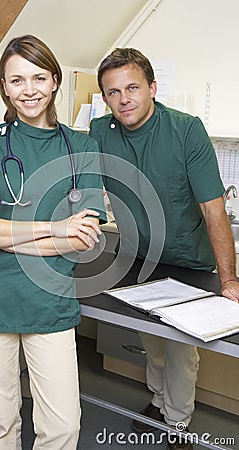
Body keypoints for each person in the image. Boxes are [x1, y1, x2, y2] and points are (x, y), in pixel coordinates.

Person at [0, 35, 106, 450]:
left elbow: (85, 239)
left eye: (39, 77)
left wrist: (2, 231)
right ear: (4, 86)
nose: (29, 90)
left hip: (50, 304)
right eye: (16, 80)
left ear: (55, 80)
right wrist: (56, 228)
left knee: (62, 427)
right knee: (1, 425)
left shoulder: (82, 147)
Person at [90, 47, 239, 450]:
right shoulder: (101, 132)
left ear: (152, 88)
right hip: (139, 260)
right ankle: (158, 403)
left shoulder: (185, 130)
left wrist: (228, 280)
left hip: (188, 262)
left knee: (180, 350)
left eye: (133, 88)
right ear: (104, 98)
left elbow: (213, 209)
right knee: (150, 340)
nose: (124, 99)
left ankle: (178, 425)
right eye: (113, 91)